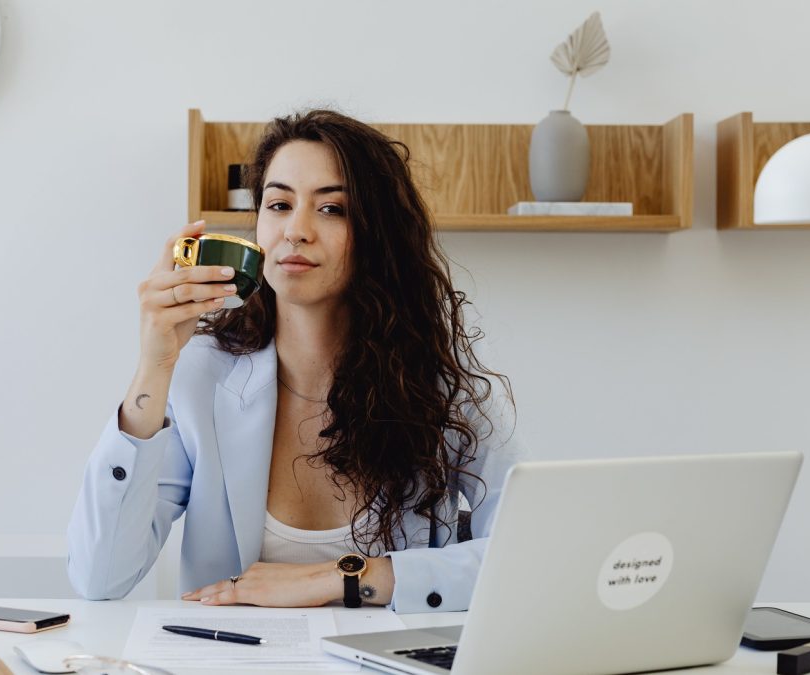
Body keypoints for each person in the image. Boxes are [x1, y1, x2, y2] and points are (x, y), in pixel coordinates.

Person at [67, 109, 526, 613]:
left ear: (379, 234)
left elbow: (529, 554)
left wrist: (342, 578)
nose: (296, 230)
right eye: (279, 204)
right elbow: (100, 576)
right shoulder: (202, 374)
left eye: (332, 209)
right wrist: (154, 366)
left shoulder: (443, 384)